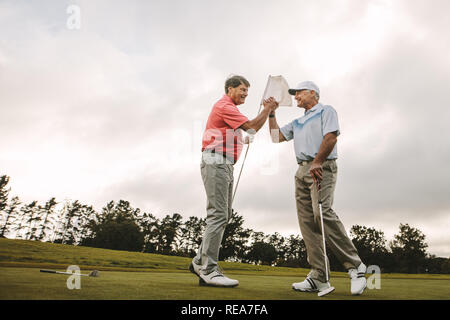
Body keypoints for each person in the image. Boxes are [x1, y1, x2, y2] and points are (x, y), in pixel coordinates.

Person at [269, 81, 367, 295]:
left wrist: (318, 161)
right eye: (294, 95)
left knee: (322, 214)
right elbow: (276, 137)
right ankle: (318, 276)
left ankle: (356, 267)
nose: (296, 97)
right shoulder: (297, 121)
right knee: (307, 223)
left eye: (299, 93)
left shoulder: (326, 110)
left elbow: (331, 136)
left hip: (321, 166)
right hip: (302, 170)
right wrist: (271, 114)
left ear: (313, 93)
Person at [189, 75, 278, 287]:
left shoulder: (230, 109)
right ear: (230, 89)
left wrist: (244, 135)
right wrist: (267, 109)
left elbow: (245, 130)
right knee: (218, 214)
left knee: (224, 214)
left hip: (223, 163)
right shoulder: (224, 105)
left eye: (247, 90)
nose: (246, 93)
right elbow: (251, 127)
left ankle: (199, 261)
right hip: (216, 161)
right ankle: (208, 269)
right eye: (242, 89)